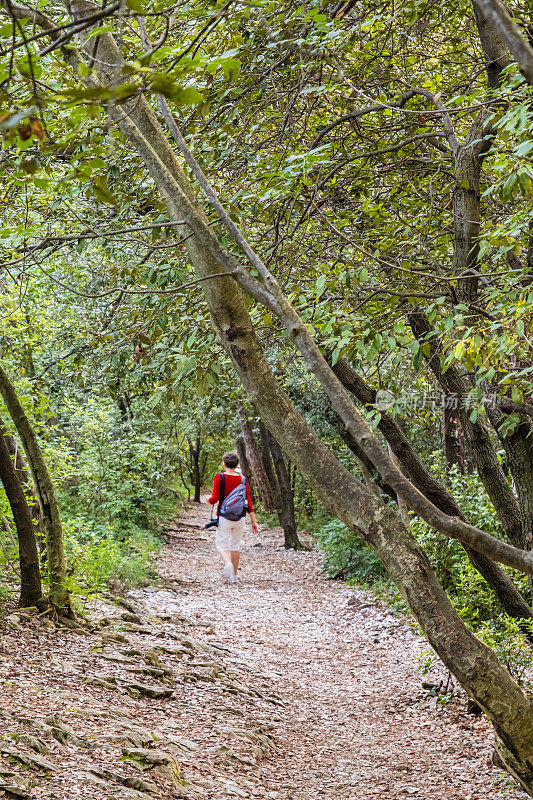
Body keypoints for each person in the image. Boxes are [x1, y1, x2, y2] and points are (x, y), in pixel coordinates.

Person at [208, 451, 258, 583]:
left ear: (224, 464)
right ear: (237, 465)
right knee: (235, 546)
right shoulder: (242, 479)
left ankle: (228, 564)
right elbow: (248, 500)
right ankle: (234, 576)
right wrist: (254, 520)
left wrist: (209, 499)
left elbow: (214, 499)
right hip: (240, 517)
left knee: (221, 545)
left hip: (224, 517)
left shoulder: (219, 477)